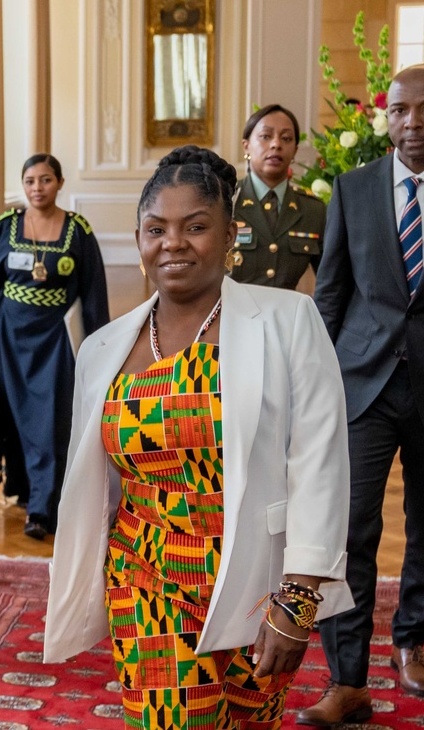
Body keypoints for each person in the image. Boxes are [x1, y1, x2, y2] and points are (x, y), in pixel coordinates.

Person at [44, 145, 354, 729]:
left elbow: (320, 464)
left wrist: (298, 601)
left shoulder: (287, 322)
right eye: (156, 229)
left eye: (196, 227)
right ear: (138, 240)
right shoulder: (102, 349)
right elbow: (97, 485)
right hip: (145, 575)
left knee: (250, 721)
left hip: (254, 581)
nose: (174, 242)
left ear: (229, 234)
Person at [303, 64, 424, 726]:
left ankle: (413, 641)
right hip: (362, 383)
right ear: (388, 118)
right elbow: (331, 295)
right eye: (403, 110)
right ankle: (345, 679)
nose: (416, 123)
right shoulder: (352, 190)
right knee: (348, 529)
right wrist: (315, 386)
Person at [0, 154, 108, 539]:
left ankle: (43, 509)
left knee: (49, 423)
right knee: (13, 419)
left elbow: (94, 295)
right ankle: (25, 489)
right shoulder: (5, 227)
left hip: (53, 341)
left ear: (60, 183)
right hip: (5, 340)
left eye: (46, 180)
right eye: (30, 181)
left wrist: (100, 351)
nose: (37, 188)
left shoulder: (78, 231)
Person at [229, 104, 325, 289]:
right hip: (230, 315)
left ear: (295, 150)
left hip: (287, 316)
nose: (276, 144)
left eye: (286, 138)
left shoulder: (312, 209)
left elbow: (330, 282)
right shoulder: (224, 201)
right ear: (246, 146)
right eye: (265, 136)